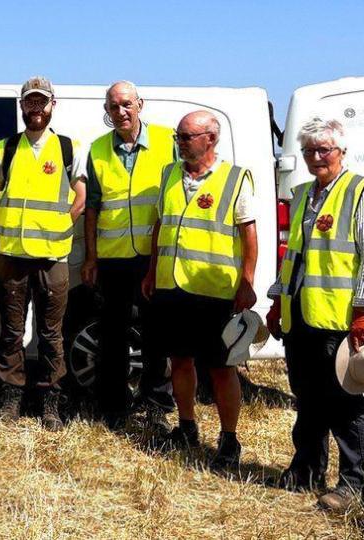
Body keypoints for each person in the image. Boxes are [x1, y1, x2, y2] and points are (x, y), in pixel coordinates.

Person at [141, 110, 257, 470]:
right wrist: (151, 270)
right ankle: (186, 425)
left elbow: (248, 234)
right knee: (179, 359)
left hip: (214, 290)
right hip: (171, 284)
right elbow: (161, 224)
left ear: (210, 139)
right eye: (178, 136)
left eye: (186, 137)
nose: (180, 143)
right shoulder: (169, 174)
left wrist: (247, 281)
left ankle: (228, 440)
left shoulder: (234, 179)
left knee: (222, 368)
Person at [267, 117, 364, 512]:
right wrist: (277, 302)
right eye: (309, 150)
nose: (315, 157)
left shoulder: (358, 192)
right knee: (307, 400)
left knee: (347, 406)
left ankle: (354, 484)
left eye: (324, 150)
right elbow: (293, 258)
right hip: (300, 317)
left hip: (339, 320)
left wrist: (362, 314)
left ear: (341, 152)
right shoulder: (303, 193)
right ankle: (306, 468)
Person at [0, 76, 87, 430]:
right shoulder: (5, 147)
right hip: (13, 256)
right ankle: (11, 398)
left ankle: (51, 401)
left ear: (52, 105)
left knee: (51, 334)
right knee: (11, 332)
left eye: (41, 101)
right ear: (22, 106)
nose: (36, 108)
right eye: (30, 101)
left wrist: (61, 225)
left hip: (52, 258)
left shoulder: (67, 147)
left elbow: (81, 197)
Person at [81, 81, 176, 432]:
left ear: (140, 105)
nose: (120, 112)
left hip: (156, 257)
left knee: (156, 336)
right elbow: (92, 207)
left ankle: (156, 406)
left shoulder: (169, 141)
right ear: (106, 111)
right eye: (113, 107)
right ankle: (114, 406)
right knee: (113, 335)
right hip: (113, 257)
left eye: (126, 105)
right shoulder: (98, 149)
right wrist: (91, 257)